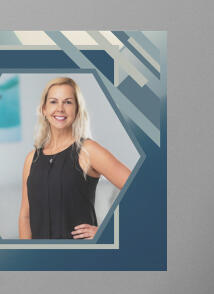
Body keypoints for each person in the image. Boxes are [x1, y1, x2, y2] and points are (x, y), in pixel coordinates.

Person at [19, 76, 132, 240]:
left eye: (68, 102)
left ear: (77, 110)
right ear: (44, 109)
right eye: (53, 102)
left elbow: (141, 189)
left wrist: (107, 231)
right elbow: (25, 216)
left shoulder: (88, 150)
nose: (60, 108)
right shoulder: (32, 159)